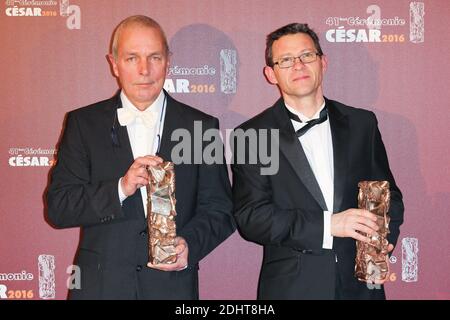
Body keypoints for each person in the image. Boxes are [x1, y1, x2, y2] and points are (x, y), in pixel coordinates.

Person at [46, 15, 235, 300]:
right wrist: (120, 188)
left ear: (168, 61)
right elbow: (59, 208)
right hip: (100, 289)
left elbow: (221, 211)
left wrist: (189, 245)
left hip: (172, 288)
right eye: (132, 57)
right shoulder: (83, 124)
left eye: (154, 57)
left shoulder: (201, 127)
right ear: (114, 63)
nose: (144, 70)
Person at [231, 23, 404, 299]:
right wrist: (329, 225)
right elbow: (252, 217)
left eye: (306, 56)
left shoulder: (362, 124)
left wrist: (382, 236)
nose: (298, 65)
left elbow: (389, 194)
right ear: (271, 74)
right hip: (292, 289)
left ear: (323, 62)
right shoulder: (253, 135)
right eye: (286, 60)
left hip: (361, 287)